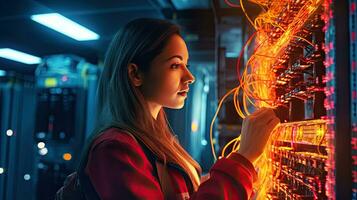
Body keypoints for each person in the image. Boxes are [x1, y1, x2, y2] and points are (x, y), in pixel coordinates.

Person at [79, 18, 279, 200]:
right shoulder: (114, 149)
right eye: (175, 65)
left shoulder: (155, 142)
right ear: (135, 74)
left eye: (186, 64)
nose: (190, 77)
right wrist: (242, 160)